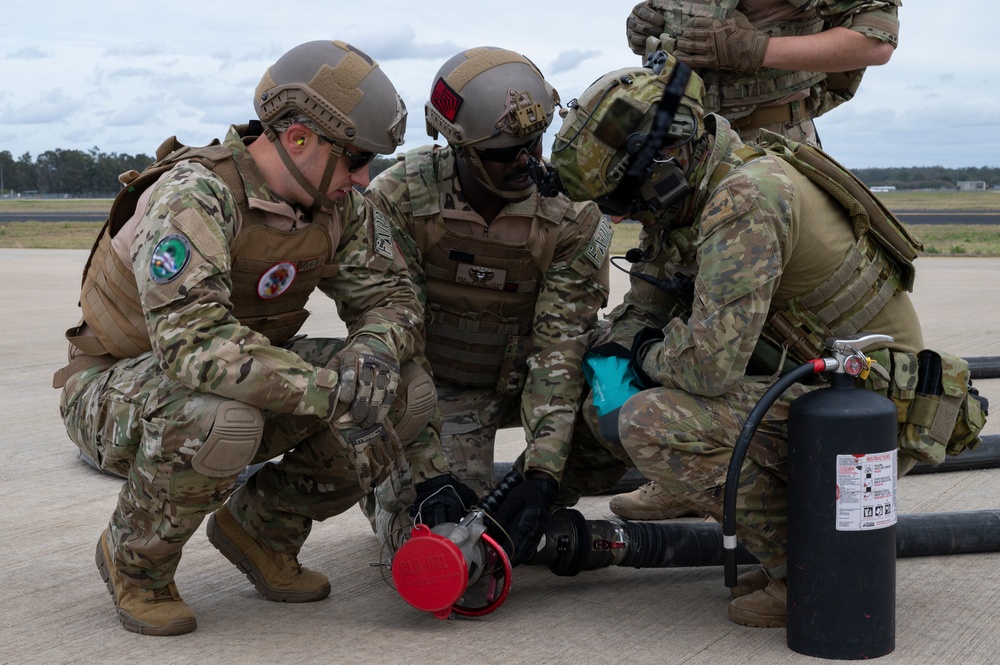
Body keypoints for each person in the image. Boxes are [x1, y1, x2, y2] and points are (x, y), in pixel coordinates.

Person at [546, 52, 986, 626]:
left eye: (625, 200)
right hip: (811, 384)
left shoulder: (745, 201)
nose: (630, 215)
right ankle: (705, 497)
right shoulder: (701, 186)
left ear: (661, 165)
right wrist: (615, 352)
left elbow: (708, 367)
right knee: (608, 381)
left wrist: (644, 355)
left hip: (867, 415)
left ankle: (813, 568)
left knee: (650, 420)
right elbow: (646, 305)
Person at [53, 40, 434, 636]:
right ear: (301, 137)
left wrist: (373, 355)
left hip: (245, 376)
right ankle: (137, 563)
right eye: (357, 158)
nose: (364, 179)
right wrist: (330, 390)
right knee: (222, 419)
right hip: (119, 385)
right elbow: (192, 345)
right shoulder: (196, 196)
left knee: (404, 391)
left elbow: (394, 299)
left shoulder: (340, 208)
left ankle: (262, 530)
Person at [613, 0, 901, 519]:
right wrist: (648, 31)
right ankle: (684, 470)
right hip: (685, 147)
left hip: (770, 142)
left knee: (760, 322)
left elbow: (874, 41)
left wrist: (757, 50)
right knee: (678, 303)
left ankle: (792, 477)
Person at [362, 46, 614, 564]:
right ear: (460, 148)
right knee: (442, 535)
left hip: (532, 379)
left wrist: (543, 472)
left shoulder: (571, 215)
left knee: (621, 409)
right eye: (505, 153)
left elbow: (560, 350)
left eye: (534, 142)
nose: (528, 161)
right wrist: (430, 475)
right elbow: (392, 334)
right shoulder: (401, 199)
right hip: (441, 387)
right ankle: (388, 487)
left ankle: (533, 502)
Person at [624, 0, 900, 146]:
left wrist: (755, 50)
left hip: (767, 147)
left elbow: (876, 43)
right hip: (680, 140)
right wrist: (653, 35)